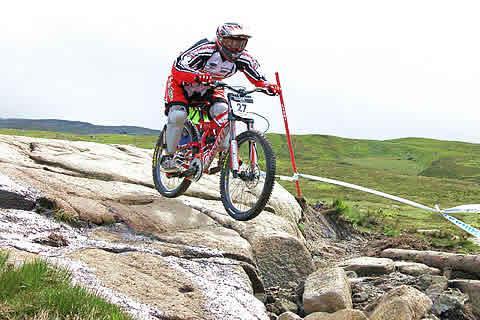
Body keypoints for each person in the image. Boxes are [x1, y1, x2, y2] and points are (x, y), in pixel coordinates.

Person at [161, 22, 280, 172]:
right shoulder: (205, 50)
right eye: (231, 42)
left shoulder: (244, 58)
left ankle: (217, 148)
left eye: (240, 43)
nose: (236, 47)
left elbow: (258, 76)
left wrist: (267, 85)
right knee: (178, 114)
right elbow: (178, 67)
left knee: (223, 112)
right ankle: (168, 157)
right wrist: (197, 75)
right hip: (182, 85)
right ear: (221, 40)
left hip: (211, 87)